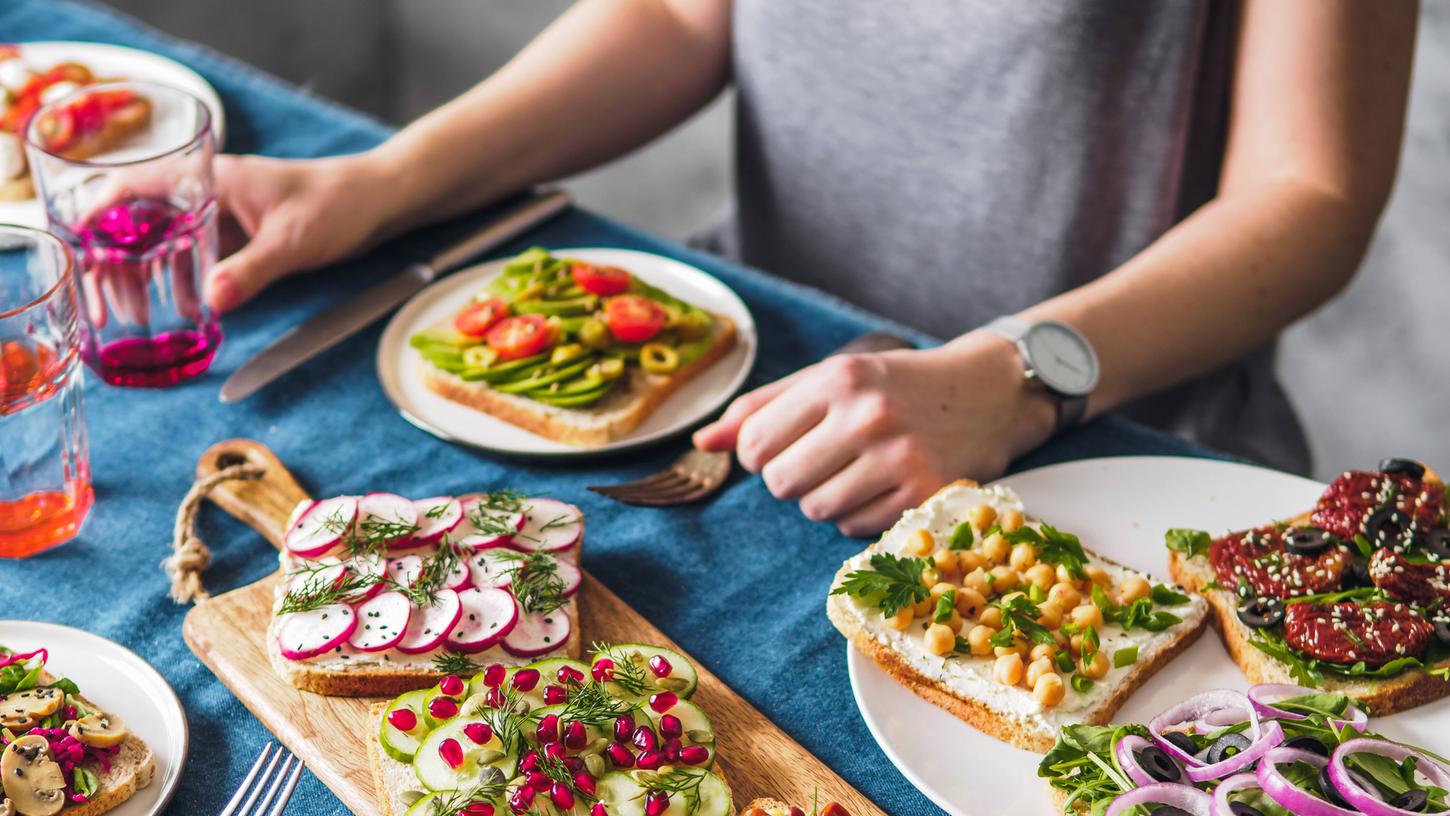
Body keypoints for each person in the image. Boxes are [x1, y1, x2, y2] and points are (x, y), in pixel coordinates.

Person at [206, 1, 1417, 536]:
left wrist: (1014, 376)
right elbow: (682, 14)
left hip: (1105, 436)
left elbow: (1306, 191)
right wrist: (380, 183)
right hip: (754, 393)